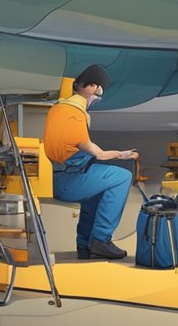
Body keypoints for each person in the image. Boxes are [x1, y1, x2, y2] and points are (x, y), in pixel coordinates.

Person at [44, 64, 138, 260]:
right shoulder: (75, 114)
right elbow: (100, 154)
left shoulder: (57, 109)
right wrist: (123, 154)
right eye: (97, 93)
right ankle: (101, 240)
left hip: (56, 176)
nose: (96, 98)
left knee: (95, 192)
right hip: (68, 182)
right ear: (92, 87)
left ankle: (85, 245)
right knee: (122, 176)